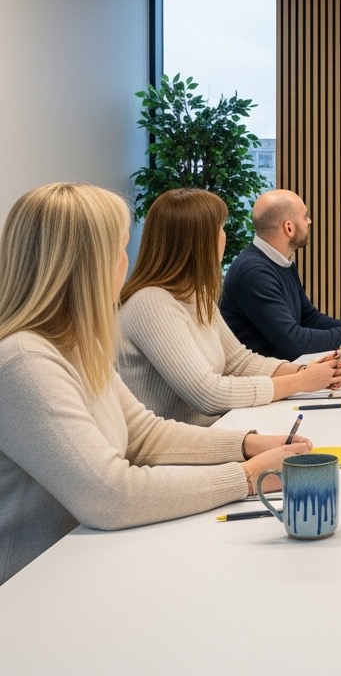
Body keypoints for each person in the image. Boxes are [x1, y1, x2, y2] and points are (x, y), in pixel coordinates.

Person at [0, 183, 312, 587]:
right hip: (36, 588)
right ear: (88, 263)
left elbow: (144, 435)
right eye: (119, 250)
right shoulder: (25, 360)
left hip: (90, 560)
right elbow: (109, 495)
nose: (124, 263)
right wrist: (246, 476)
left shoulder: (74, 343)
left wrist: (248, 443)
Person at [118, 189, 341, 427]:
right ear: (200, 241)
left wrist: (304, 370)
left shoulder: (197, 296)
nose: (224, 237)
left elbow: (239, 363)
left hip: (211, 430)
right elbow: (207, 393)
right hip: (181, 446)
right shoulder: (151, 303)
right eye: (221, 229)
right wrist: (301, 381)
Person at [221, 189, 341, 358]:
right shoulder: (254, 272)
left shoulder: (281, 260)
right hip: (265, 379)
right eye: (305, 216)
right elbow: (294, 342)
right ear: (288, 228)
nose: (309, 221)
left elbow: (308, 318)